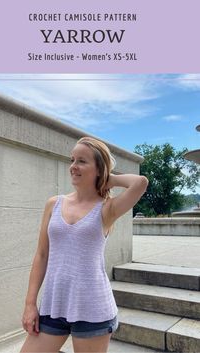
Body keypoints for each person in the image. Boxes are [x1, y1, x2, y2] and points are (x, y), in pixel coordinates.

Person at [20, 136, 149, 353]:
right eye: (72, 160)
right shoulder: (54, 204)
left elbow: (140, 183)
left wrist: (109, 180)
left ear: (99, 169)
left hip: (93, 308)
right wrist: (30, 304)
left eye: (82, 161)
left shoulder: (107, 209)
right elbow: (41, 255)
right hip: (54, 304)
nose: (73, 166)